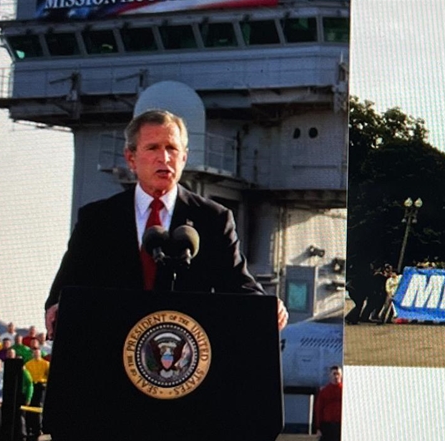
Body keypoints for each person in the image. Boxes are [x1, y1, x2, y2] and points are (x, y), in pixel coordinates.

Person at [45, 109, 288, 334]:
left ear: (184, 157)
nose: (164, 158)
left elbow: (237, 284)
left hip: (186, 356)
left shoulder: (213, 219)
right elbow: (67, 285)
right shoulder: (97, 219)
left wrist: (268, 306)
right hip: (114, 350)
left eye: (172, 148)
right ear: (131, 158)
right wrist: (56, 307)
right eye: (152, 148)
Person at [313, 365, 342, 441]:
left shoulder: (344, 390)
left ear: (341, 376)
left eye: (338, 374)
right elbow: (318, 410)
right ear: (330, 376)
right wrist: (318, 428)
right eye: (334, 374)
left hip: (340, 427)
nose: (336, 376)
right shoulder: (324, 392)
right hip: (327, 427)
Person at [24, 344, 50, 441]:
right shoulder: (28, 364)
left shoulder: (46, 364)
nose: (36, 355)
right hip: (32, 386)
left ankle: (40, 428)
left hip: (42, 386)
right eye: (34, 353)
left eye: (37, 353)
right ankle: (32, 429)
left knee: (39, 406)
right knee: (31, 407)